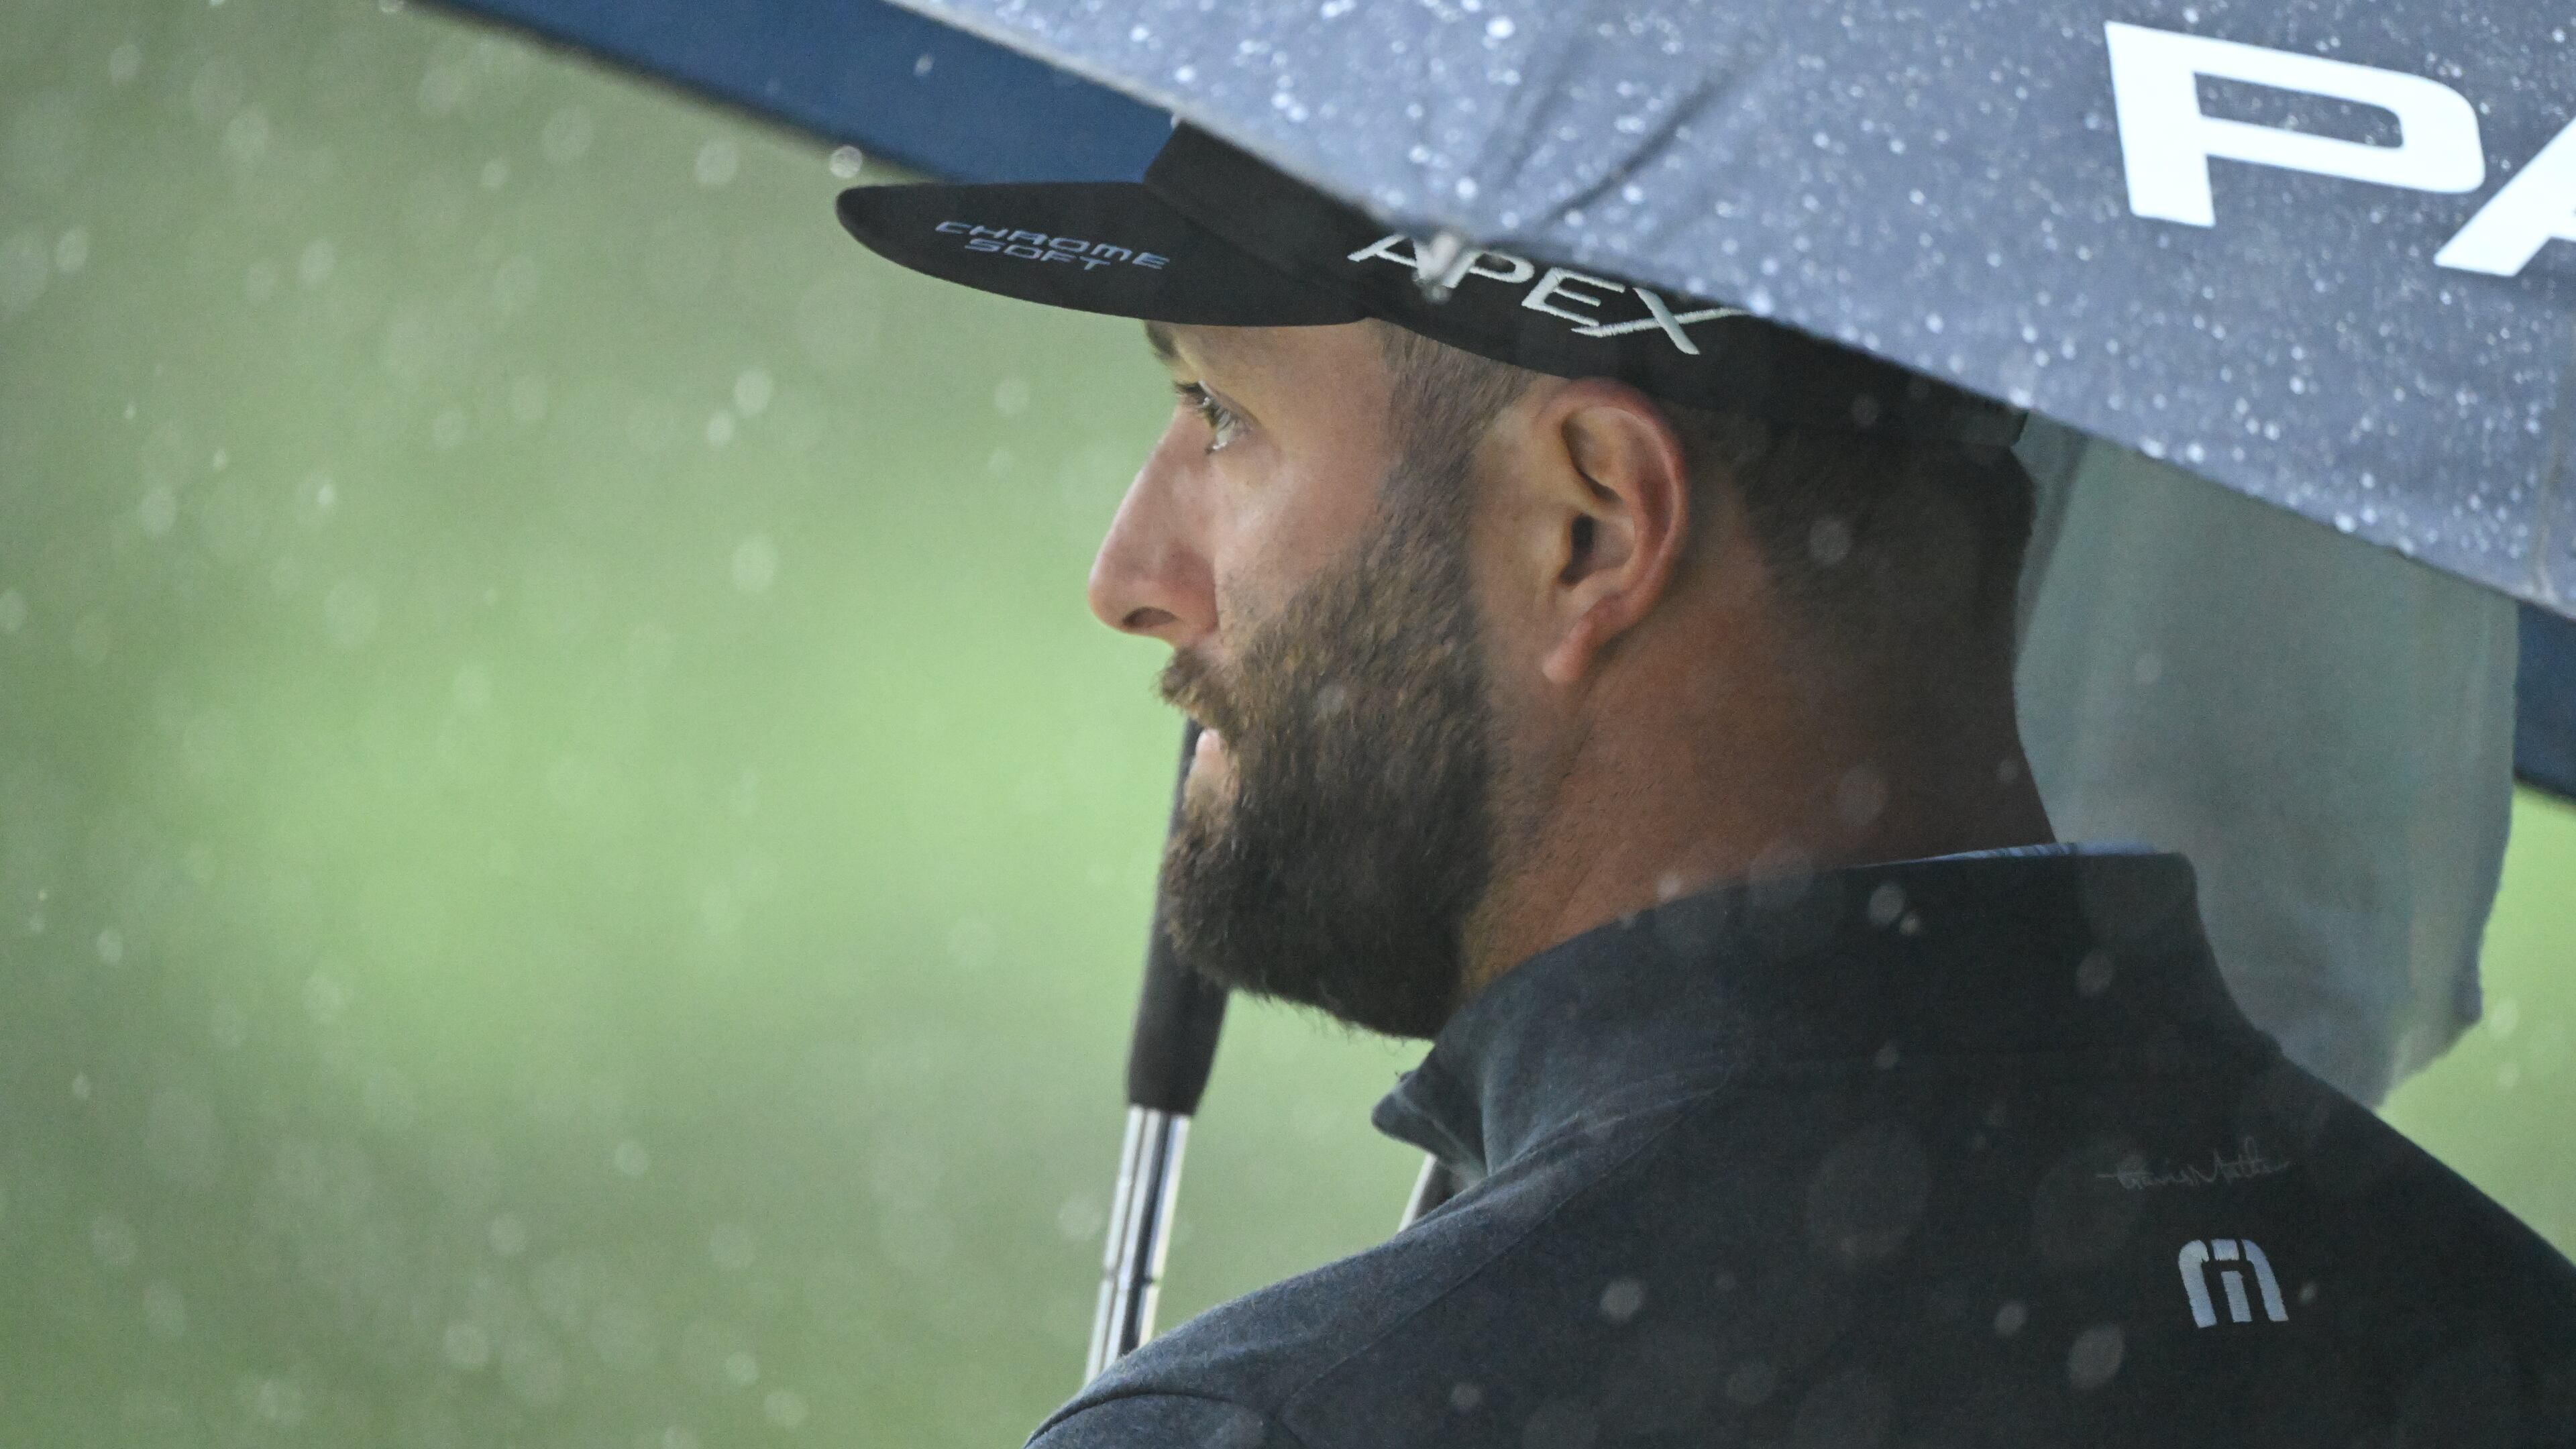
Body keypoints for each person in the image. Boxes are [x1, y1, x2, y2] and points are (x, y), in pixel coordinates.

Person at [839, 125, 2576, 1448]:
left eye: (1220, 413)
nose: (1131, 568)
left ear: (1593, 522)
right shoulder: (2507, 1340)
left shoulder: (1290, 1424)